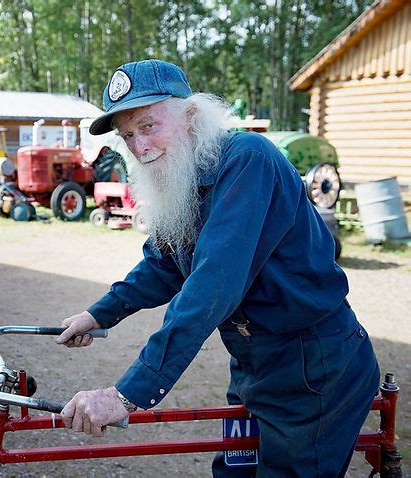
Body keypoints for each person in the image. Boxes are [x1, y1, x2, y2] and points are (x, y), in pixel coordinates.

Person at [56, 59, 380, 477]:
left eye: (149, 125)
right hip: (251, 363)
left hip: (313, 367)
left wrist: (128, 394)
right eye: (128, 135)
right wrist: (98, 313)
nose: (139, 147)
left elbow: (214, 282)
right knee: (233, 471)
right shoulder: (186, 177)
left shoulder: (248, 158)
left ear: (190, 116)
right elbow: (163, 263)